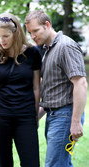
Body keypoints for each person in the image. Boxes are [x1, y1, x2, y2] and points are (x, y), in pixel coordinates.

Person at [25, 10, 87, 167]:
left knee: (55, 164)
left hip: (65, 117)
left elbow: (80, 83)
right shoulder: (48, 49)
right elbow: (56, 90)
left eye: (35, 31)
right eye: (30, 33)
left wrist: (75, 122)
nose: (33, 36)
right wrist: (35, 116)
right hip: (55, 116)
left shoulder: (65, 46)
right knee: (63, 163)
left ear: (47, 25)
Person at [0, 12, 41, 167]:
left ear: (16, 33)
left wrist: (35, 115)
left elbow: (36, 88)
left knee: (31, 163)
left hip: (25, 117)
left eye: (5, 36)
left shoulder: (33, 53)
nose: (1, 40)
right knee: (4, 163)